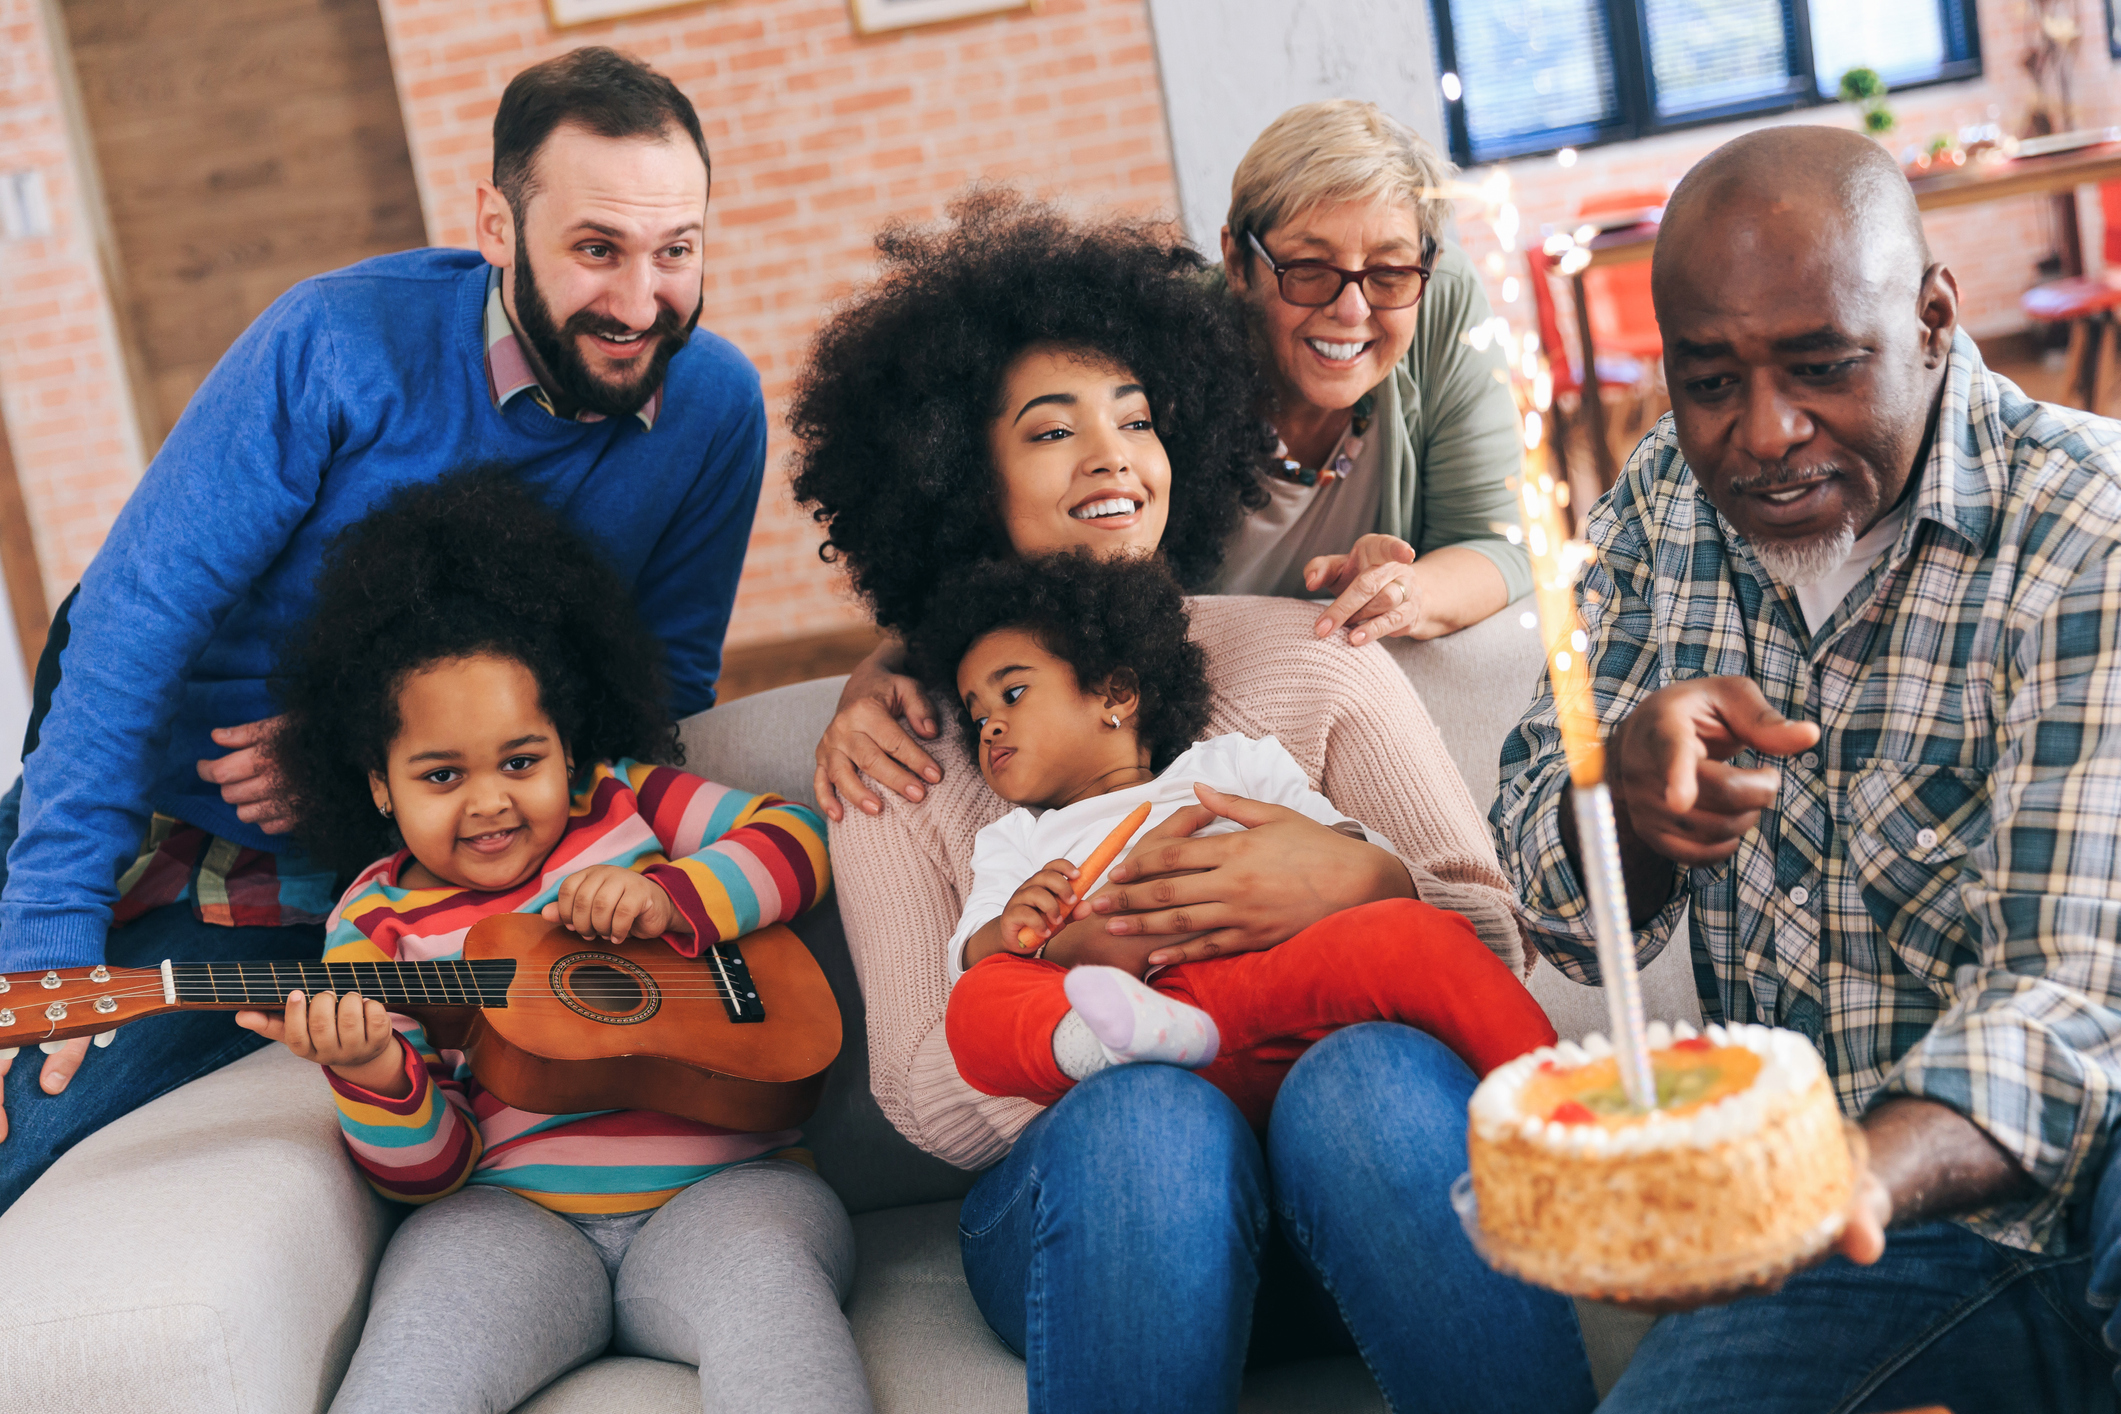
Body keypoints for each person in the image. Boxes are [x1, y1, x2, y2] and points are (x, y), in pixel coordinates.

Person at [795, 199, 1594, 1412]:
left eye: (1139, 418)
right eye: (1051, 429)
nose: (1113, 455)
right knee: (1150, 1119)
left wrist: (1361, 883)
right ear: (956, 469)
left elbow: (1487, 943)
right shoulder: (901, 750)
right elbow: (919, 1093)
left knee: (1372, 1076)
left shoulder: (1315, 659)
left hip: (1371, 1204)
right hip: (1105, 1223)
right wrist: (1081, 1002)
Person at [0, 47, 767, 1207]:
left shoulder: (715, 413)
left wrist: (375, 778)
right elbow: (131, 620)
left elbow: (654, 699)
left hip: (324, 891)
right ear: (498, 227)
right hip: (134, 792)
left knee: (20, 1117)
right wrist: (49, 925)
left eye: (678, 250)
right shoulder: (338, 342)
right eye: (596, 248)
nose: (639, 301)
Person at [1491, 125, 2121, 1412]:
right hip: (1847, 1212)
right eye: (1709, 378)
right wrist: (1622, 803)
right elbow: (1547, 893)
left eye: (1823, 367)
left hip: (2075, 1178)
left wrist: (1844, 1179)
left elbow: (2068, 1000)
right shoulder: (1668, 497)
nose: (1764, 434)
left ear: (1935, 317)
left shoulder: (2085, 532)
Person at [239, 471, 865, 1414]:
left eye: (521, 762)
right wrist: (372, 1074)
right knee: (408, 1377)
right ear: (378, 784)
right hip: (510, 1218)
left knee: (782, 1342)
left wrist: (672, 897)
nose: (490, 801)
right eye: (441, 774)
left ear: (566, 745)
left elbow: (799, 836)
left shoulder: (622, 798)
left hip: (734, 1188)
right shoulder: (371, 926)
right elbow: (432, 1171)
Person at [810, 102, 1528, 822]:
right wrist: (885, 668)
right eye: (1308, 268)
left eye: (1388, 273)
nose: (1350, 308)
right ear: (1238, 260)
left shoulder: (1436, 301)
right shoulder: (1157, 353)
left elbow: (1499, 541)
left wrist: (1402, 591)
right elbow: (1001, 543)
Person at [915, 551, 1554, 1127]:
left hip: (1277, 981)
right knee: (975, 1005)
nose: (990, 727)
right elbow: (975, 959)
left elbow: (1347, 860)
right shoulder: (1014, 839)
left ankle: (1559, 1107)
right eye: (977, 718)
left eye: (1013, 693)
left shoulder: (1233, 765)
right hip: (1145, 1028)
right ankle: (1091, 1043)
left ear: (1115, 693)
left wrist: (1344, 874)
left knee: (1419, 935)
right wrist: (1013, 931)